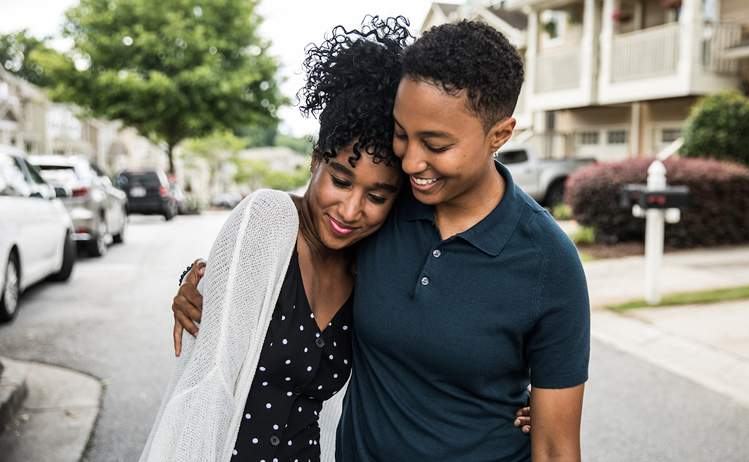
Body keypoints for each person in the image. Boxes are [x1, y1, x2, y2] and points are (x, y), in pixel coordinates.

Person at [174, 20, 587, 462]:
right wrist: (202, 280)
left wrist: (537, 410)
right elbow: (305, 227)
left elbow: (555, 445)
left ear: (500, 135)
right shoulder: (385, 207)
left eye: (435, 144)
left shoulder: (549, 263)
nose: (411, 161)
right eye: (402, 133)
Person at [140, 17, 409, 462]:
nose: (350, 210)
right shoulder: (266, 219)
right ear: (314, 161)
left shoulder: (370, 264)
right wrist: (198, 280)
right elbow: (209, 384)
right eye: (341, 180)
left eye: (377, 195)